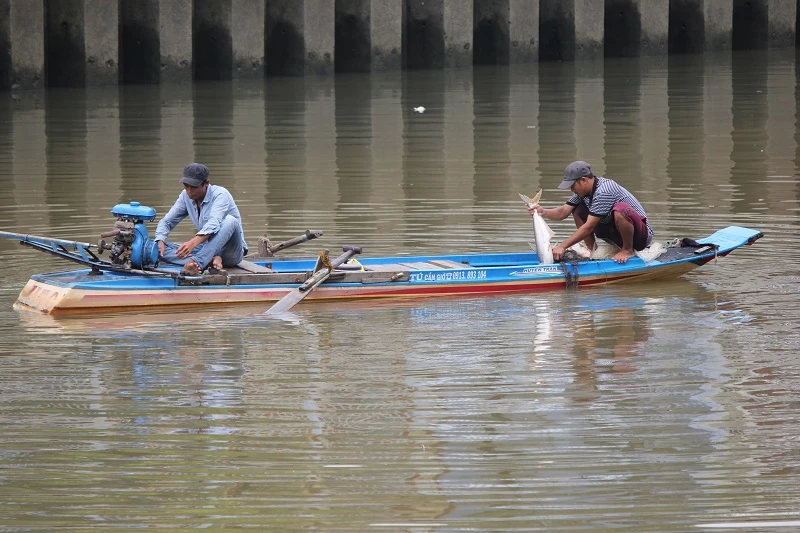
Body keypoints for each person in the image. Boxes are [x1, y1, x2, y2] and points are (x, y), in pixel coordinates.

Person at [527, 160, 653, 263]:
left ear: (583, 180)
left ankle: (627, 250)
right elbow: (563, 212)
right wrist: (542, 211)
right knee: (578, 209)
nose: (571, 189)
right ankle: (592, 250)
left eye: (572, 185)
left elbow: (589, 227)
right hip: (617, 236)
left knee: (620, 210)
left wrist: (563, 246)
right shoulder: (583, 193)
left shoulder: (604, 190)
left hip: (640, 237)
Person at [155, 163, 248, 275]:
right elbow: (167, 221)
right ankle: (209, 260)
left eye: (194, 187)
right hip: (206, 249)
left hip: (230, 252)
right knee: (156, 249)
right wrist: (160, 240)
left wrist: (192, 243)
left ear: (206, 183)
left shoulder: (220, 194)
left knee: (231, 221)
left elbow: (214, 223)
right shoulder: (185, 196)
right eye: (186, 186)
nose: (189, 191)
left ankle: (196, 262)